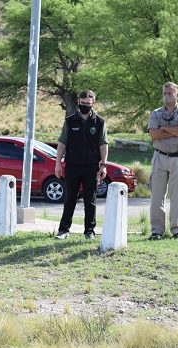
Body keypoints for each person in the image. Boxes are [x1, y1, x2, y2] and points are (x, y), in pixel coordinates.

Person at [54, 90, 109, 240]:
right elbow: (62, 142)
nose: (85, 106)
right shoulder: (70, 121)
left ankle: (89, 231)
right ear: (78, 101)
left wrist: (103, 165)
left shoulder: (100, 122)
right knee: (70, 198)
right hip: (72, 165)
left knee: (90, 200)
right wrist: (58, 163)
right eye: (82, 103)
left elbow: (103, 144)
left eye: (88, 104)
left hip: (91, 166)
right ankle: (63, 230)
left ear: (93, 103)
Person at [147, 82, 178, 240]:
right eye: (165, 92)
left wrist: (164, 128)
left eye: (170, 93)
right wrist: (174, 130)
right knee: (157, 196)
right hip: (159, 157)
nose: (167, 95)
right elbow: (153, 134)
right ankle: (156, 231)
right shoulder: (156, 113)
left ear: (177, 94)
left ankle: (177, 230)